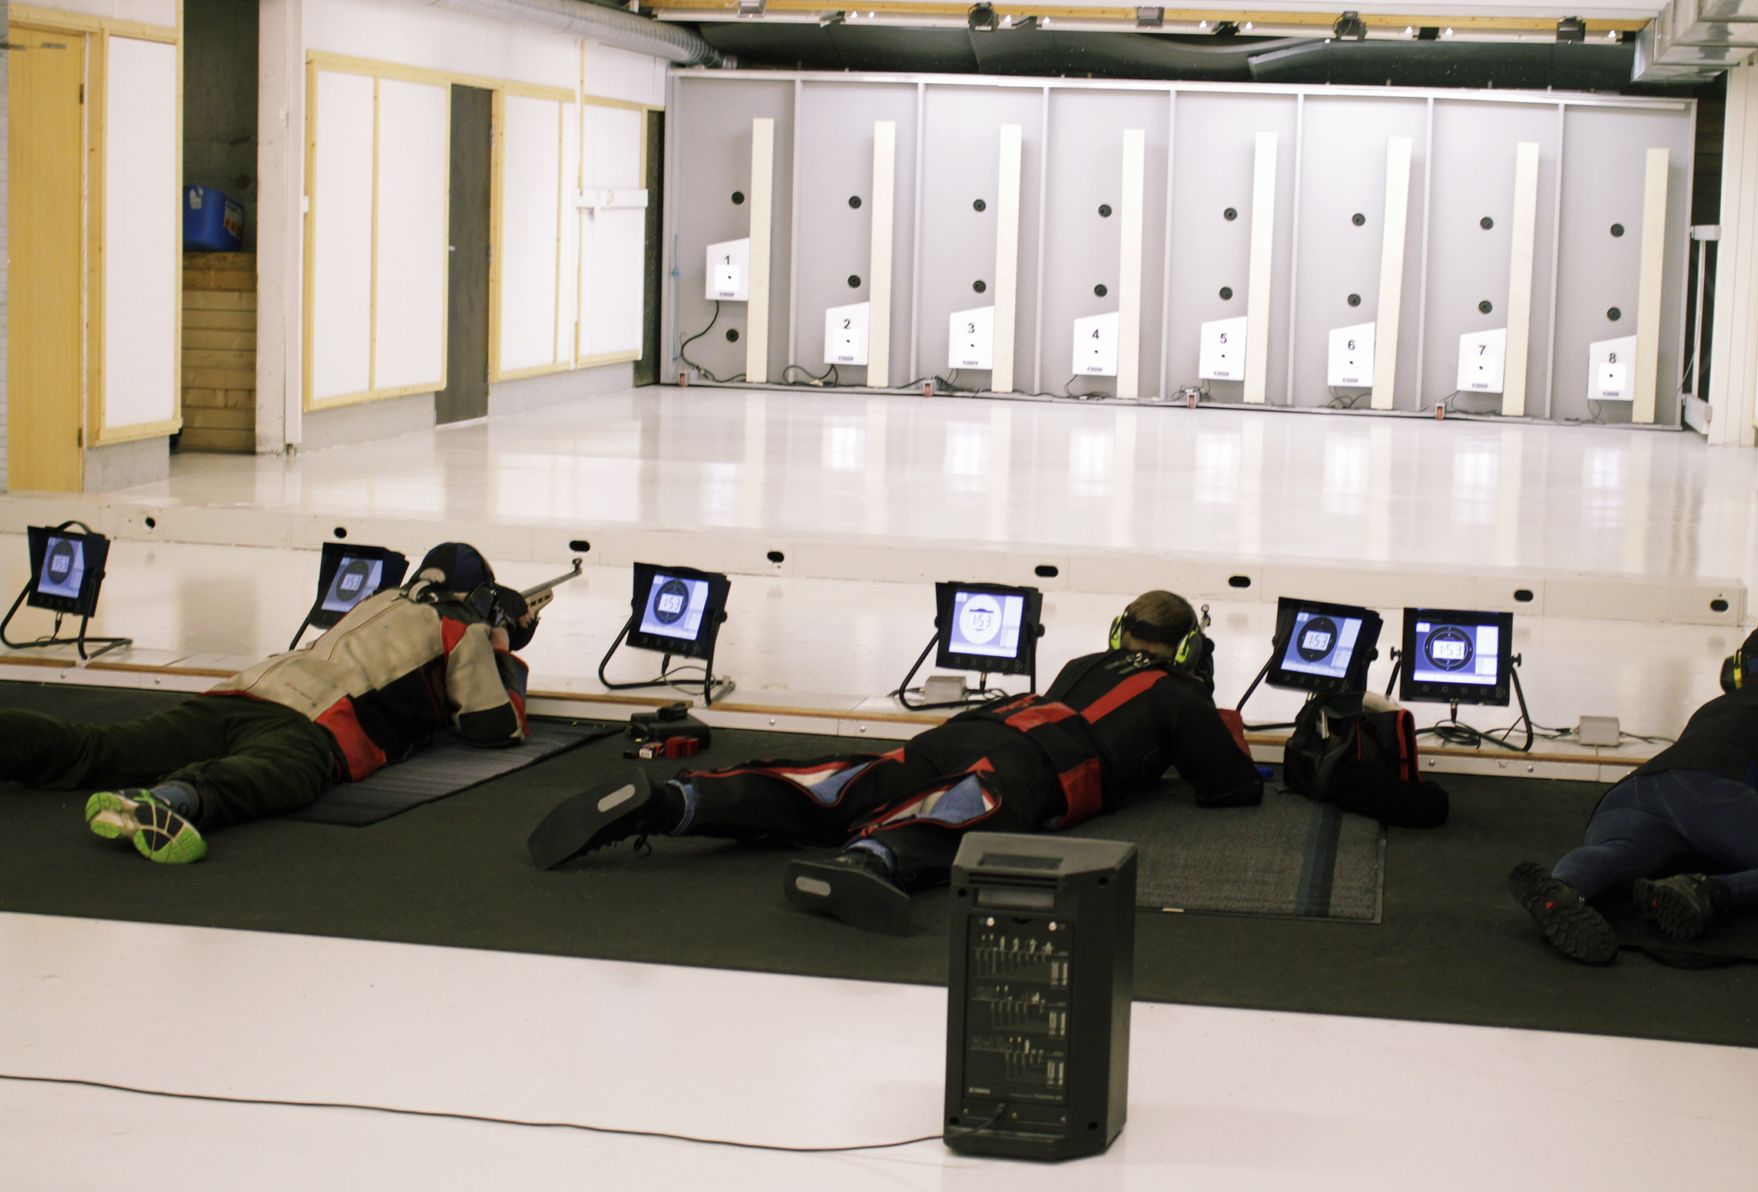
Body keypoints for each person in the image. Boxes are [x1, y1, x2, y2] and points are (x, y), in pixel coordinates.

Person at [529, 589, 1264, 932]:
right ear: (1187, 653)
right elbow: (1229, 789)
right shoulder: (1178, 697)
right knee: (957, 811)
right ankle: (873, 861)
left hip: (972, 726)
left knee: (839, 782)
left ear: (1118, 630)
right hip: (1042, 760)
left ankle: (679, 801)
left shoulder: (1081, 660)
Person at [0, 542, 532, 864]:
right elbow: (491, 726)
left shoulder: (379, 598)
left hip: (246, 689)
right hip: (316, 717)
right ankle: (169, 801)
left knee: (101, 746)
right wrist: (502, 650)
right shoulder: (457, 627)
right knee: (274, 775)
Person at [1509, 621, 1758, 964]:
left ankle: (1564, 887)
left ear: (1735, 672)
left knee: (1617, 854)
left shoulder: (1714, 708)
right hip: (1711, 795)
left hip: (1632, 792)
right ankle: (1705, 891)